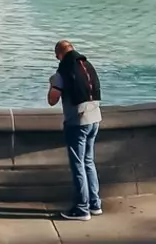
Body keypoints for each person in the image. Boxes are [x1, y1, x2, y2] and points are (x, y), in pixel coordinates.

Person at [49, 39, 103, 221]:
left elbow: (52, 99)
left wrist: (52, 84)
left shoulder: (63, 70)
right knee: (89, 161)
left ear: (59, 54)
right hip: (95, 119)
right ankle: (95, 204)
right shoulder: (87, 65)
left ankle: (81, 208)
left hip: (77, 122)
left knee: (78, 164)